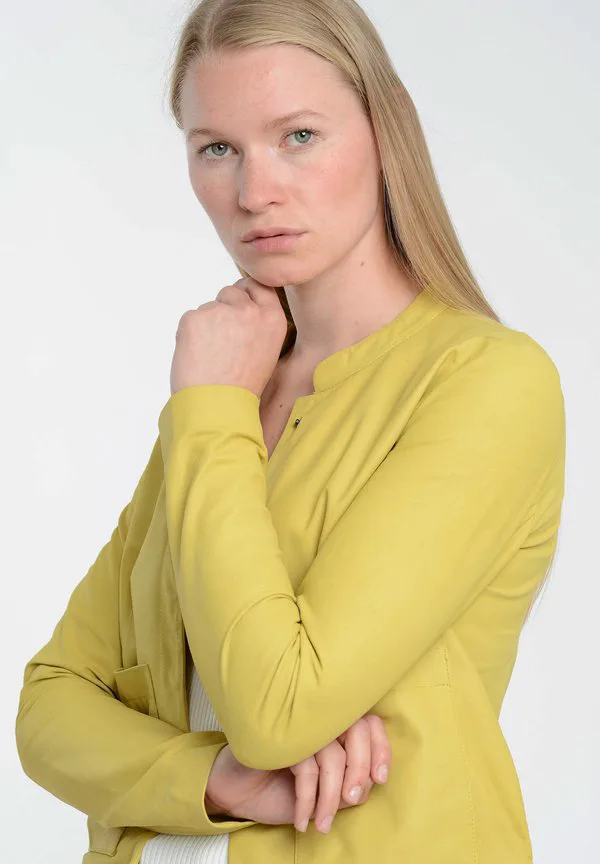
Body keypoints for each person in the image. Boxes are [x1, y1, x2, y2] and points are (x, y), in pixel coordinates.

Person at [15, 1, 566, 863]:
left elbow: (279, 707)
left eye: (298, 136)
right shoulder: (225, 396)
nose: (253, 192)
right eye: (217, 149)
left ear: (387, 128)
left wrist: (209, 410)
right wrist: (212, 779)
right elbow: (48, 706)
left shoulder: (486, 382)